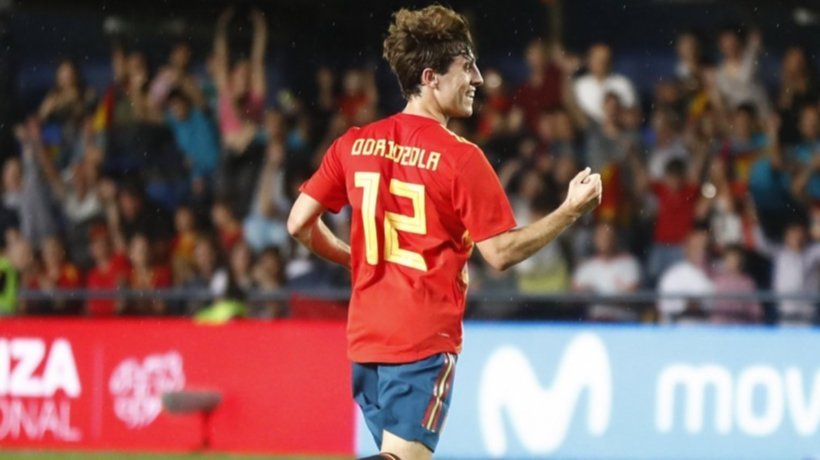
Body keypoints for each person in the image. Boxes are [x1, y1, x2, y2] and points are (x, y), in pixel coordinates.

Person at [286, 6, 602, 460]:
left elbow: (299, 223)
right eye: (467, 67)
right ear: (431, 77)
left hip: (365, 339)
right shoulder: (461, 158)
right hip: (420, 339)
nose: (478, 79)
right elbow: (501, 253)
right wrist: (569, 211)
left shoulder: (353, 142)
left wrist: (353, 258)